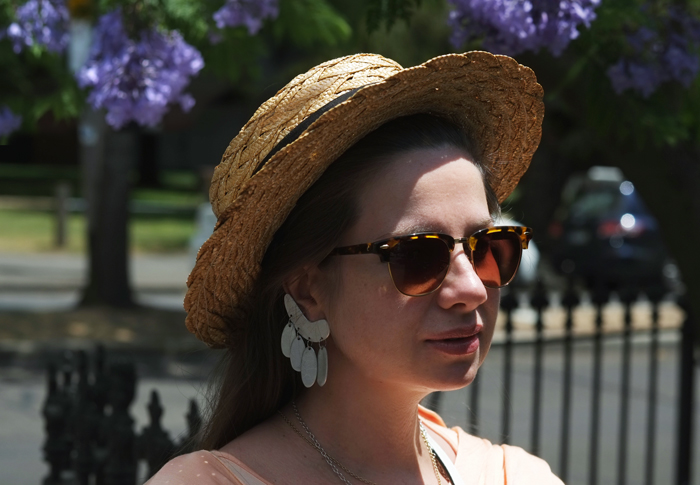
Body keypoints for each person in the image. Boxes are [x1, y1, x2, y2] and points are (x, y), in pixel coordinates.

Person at [148, 52, 562, 484]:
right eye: (418, 255)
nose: (473, 288)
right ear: (309, 290)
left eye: (486, 247)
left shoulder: (514, 476)